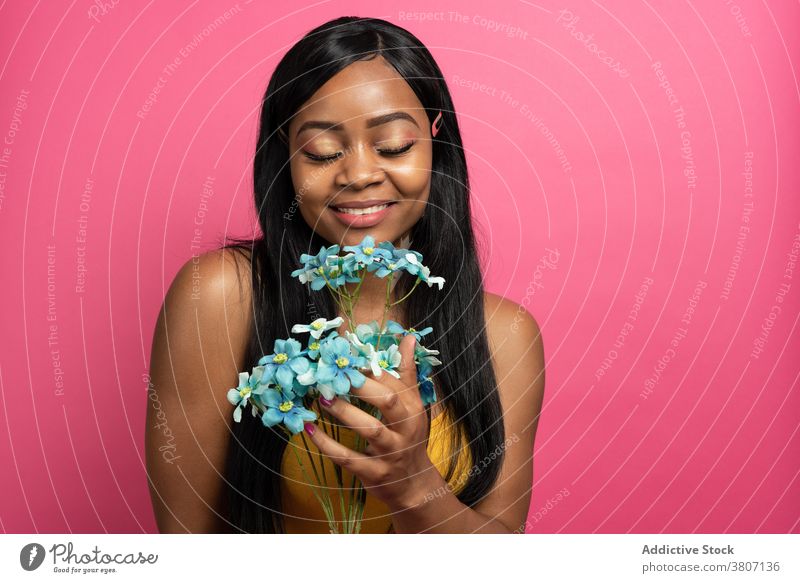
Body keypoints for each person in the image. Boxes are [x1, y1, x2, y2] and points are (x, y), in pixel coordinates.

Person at [145, 16, 545, 534]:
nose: (357, 175)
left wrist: (416, 487)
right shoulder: (221, 297)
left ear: (434, 137)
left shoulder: (505, 336)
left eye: (394, 146)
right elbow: (185, 551)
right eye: (322, 152)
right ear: (285, 157)